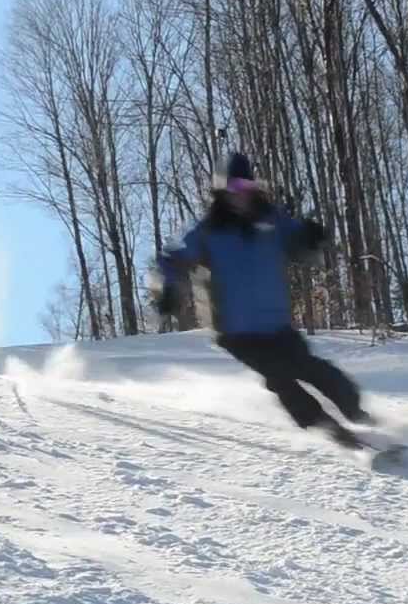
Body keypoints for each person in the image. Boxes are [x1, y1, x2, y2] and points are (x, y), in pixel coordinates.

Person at [155, 152, 377, 449]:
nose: (242, 196)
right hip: (237, 331)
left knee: (312, 368)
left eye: (247, 188)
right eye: (234, 189)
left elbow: (299, 240)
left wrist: (312, 236)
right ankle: (329, 430)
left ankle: (356, 412)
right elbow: (173, 259)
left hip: (277, 324)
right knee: (280, 377)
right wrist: (168, 289)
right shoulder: (208, 231)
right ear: (222, 191)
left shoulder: (271, 220)